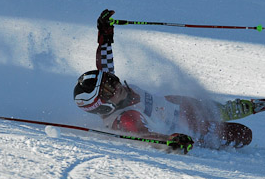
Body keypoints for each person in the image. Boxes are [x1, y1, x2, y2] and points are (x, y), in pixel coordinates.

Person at [73, 9, 252, 153]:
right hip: (187, 126)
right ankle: (218, 118)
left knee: (201, 105)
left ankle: (224, 109)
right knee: (243, 134)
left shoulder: (119, 94)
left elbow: (104, 64)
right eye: (107, 91)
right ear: (103, 106)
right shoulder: (125, 118)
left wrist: (105, 33)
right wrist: (171, 140)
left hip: (171, 104)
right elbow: (144, 136)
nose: (115, 86)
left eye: (110, 82)